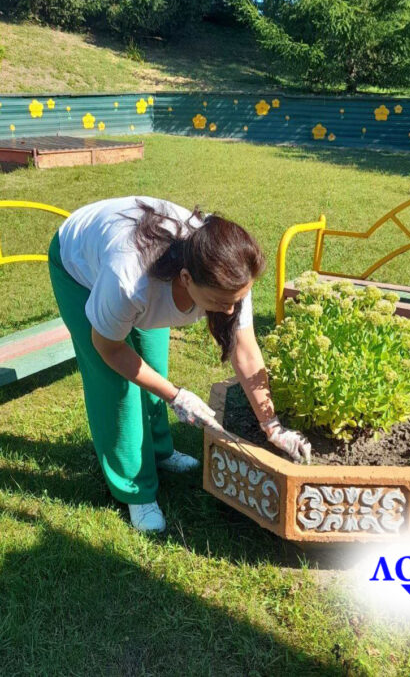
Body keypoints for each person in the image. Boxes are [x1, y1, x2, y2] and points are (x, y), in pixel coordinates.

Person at [47, 196, 311, 533]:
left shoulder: (228, 268)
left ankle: (160, 452)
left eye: (236, 301)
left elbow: (245, 351)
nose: (230, 310)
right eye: (220, 302)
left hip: (142, 267)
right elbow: (109, 349)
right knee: (116, 386)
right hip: (78, 264)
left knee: (154, 366)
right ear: (186, 278)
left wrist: (272, 425)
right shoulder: (128, 281)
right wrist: (176, 396)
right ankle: (135, 489)